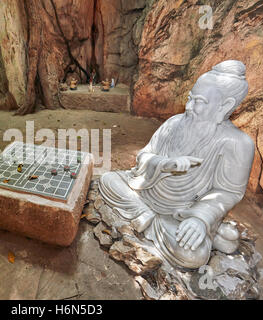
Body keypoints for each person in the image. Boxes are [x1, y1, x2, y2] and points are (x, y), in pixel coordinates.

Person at [99, 60, 254, 268]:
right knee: (108, 180)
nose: (189, 107)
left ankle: (198, 229)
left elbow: (227, 192)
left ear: (224, 106)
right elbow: (144, 156)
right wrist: (165, 164)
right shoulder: (174, 123)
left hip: (185, 209)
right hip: (148, 193)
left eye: (198, 101)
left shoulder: (238, 143)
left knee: (193, 256)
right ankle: (152, 219)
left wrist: (200, 219)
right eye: (190, 98)